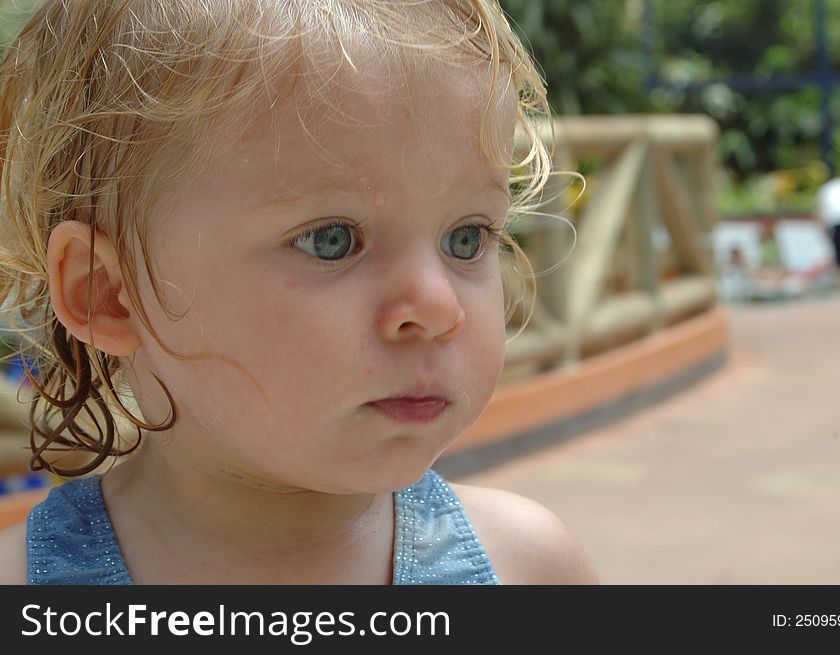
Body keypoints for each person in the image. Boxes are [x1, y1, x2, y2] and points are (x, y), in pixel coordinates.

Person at [0, 0, 599, 584]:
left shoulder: (529, 567)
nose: (439, 308)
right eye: (331, 240)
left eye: (466, 239)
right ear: (107, 293)